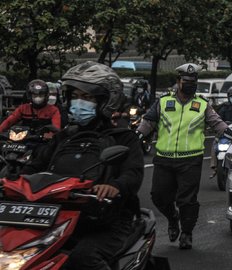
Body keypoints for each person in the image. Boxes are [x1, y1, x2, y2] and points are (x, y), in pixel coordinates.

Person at [21, 61, 144, 270]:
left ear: (106, 101)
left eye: (87, 98)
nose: (79, 103)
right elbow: (34, 166)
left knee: (83, 257)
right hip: (55, 217)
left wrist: (115, 187)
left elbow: (133, 173)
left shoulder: (123, 138)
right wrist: (11, 181)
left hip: (108, 220)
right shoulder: (63, 138)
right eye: (75, 96)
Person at [136, 63, 232, 249]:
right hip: (164, 159)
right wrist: (136, 136)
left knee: (187, 200)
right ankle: (173, 218)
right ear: (178, 82)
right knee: (158, 196)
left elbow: (217, 123)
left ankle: (187, 233)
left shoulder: (202, 105)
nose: (190, 84)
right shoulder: (164, 102)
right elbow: (148, 122)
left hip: (190, 160)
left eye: (193, 81)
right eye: (186, 81)